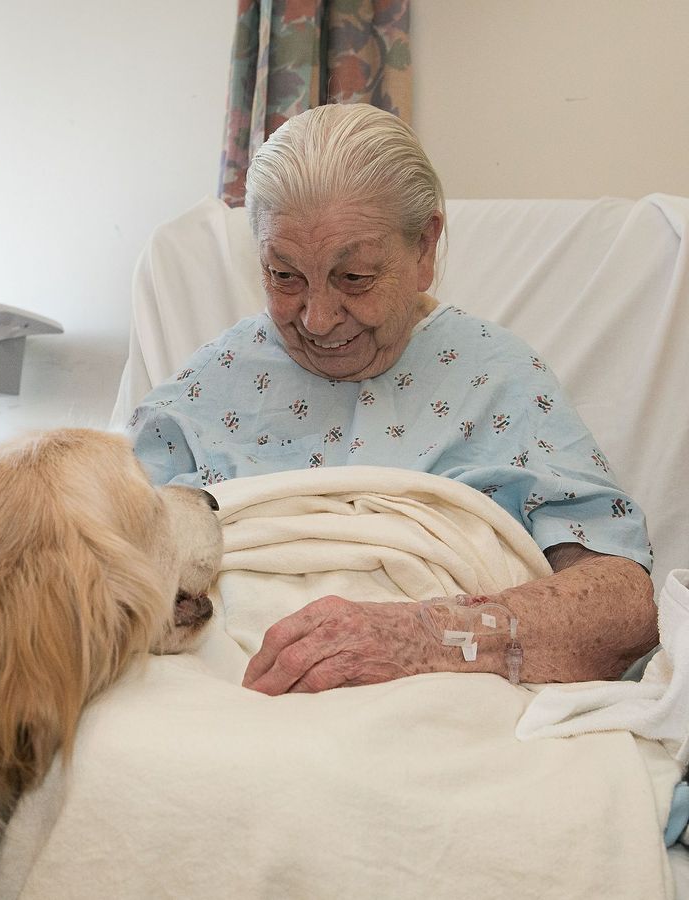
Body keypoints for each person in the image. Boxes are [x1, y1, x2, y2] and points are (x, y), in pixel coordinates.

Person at [127, 103, 657, 694]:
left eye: (354, 278)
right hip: (215, 690)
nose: (318, 318)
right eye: (284, 276)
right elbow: (86, 550)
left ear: (425, 248)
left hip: (432, 694)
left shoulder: (498, 379)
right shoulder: (212, 380)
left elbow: (623, 605)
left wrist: (425, 637)